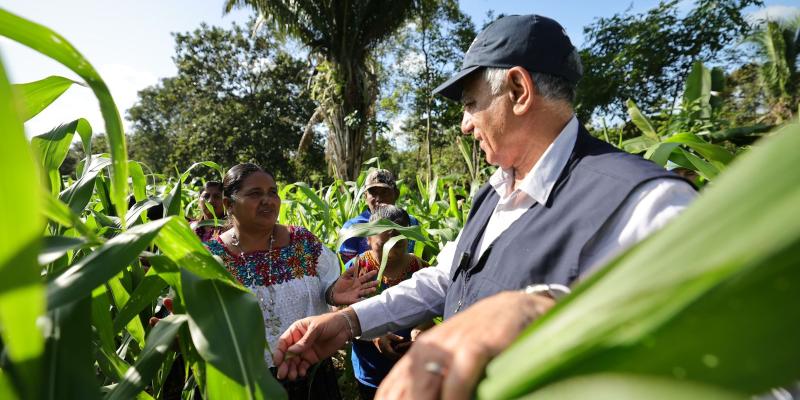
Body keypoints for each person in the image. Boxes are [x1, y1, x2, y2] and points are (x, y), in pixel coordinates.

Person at [273, 14, 698, 399]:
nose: (464, 124)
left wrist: (541, 310)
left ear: (518, 89)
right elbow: (445, 279)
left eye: (471, 103)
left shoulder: (644, 203)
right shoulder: (494, 193)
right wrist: (348, 322)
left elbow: (720, 359)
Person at [202, 163, 379, 400]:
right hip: (247, 382)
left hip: (309, 370)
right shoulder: (212, 258)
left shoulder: (302, 242)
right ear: (229, 204)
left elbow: (327, 287)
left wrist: (333, 293)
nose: (268, 200)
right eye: (255, 193)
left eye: (272, 192)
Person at [346, 205, 431, 399]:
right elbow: (341, 310)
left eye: (400, 237)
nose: (394, 239)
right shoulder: (358, 268)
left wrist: (422, 328)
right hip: (371, 370)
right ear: (368, 239)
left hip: (411, 367)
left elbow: (433, 305)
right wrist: (375, 336)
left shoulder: (420, 268)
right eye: (385, 235)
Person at [338, 169, 419, 264]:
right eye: (373, 192)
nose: (378, 198)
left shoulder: (411, 222)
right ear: (365, 196)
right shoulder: (352, 228)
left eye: (384, 192)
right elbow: (344, 268)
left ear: (396, 194)